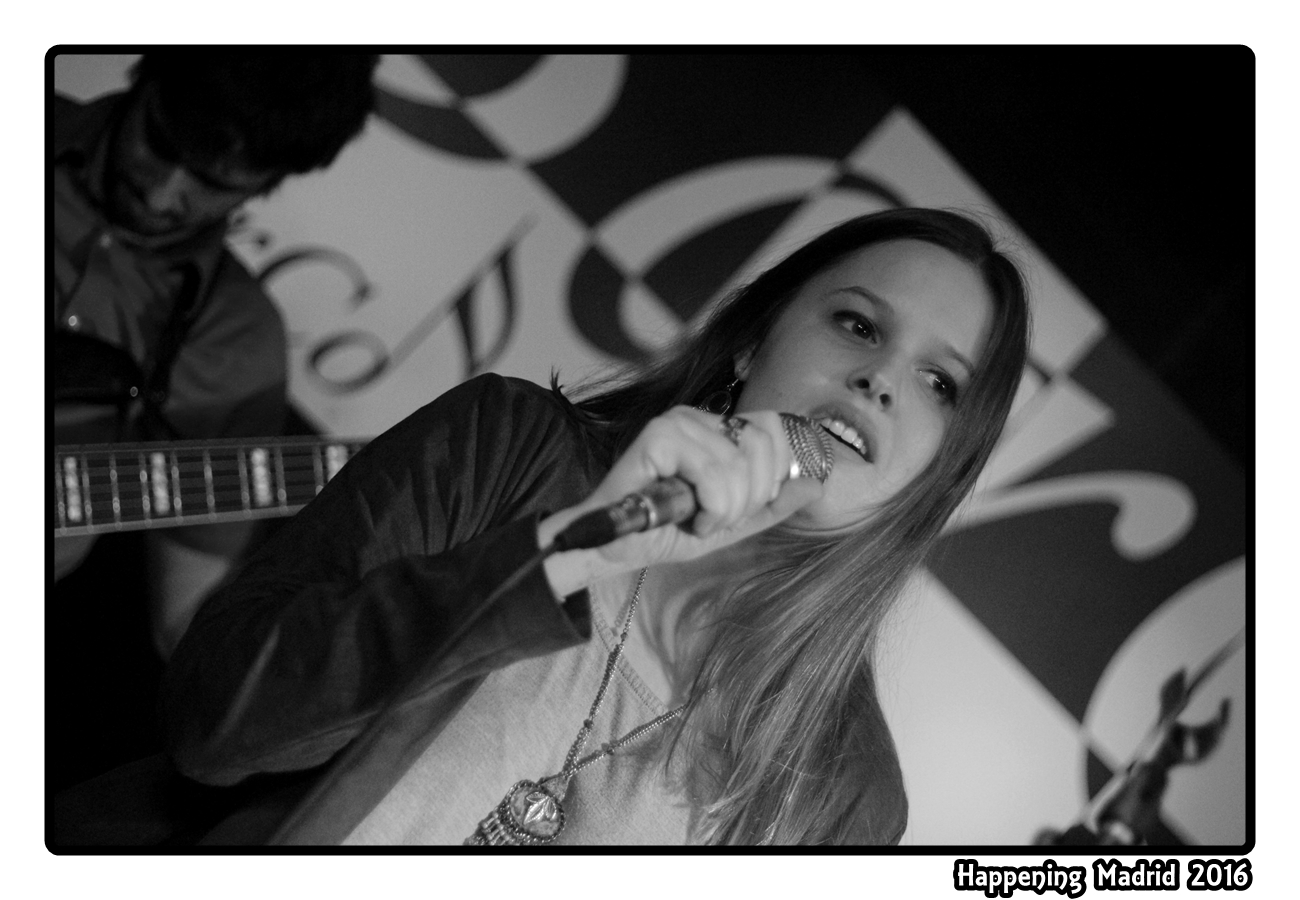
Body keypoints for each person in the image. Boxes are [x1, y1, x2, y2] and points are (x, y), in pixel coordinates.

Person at [153, 207, 1030, 846]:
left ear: (939, 473)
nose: (881, 379)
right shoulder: (507, 446)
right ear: (752, 343)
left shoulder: (849, 798)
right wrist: (565, 553)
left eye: (940, 384)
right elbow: (214, 726)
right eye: (857, 324)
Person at [53, 51, 380, 658]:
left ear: (268, 182)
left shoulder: (238, 343)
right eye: (160, 143)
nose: (161, 194)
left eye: (213, 182)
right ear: (145, 76)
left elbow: (185, 627)